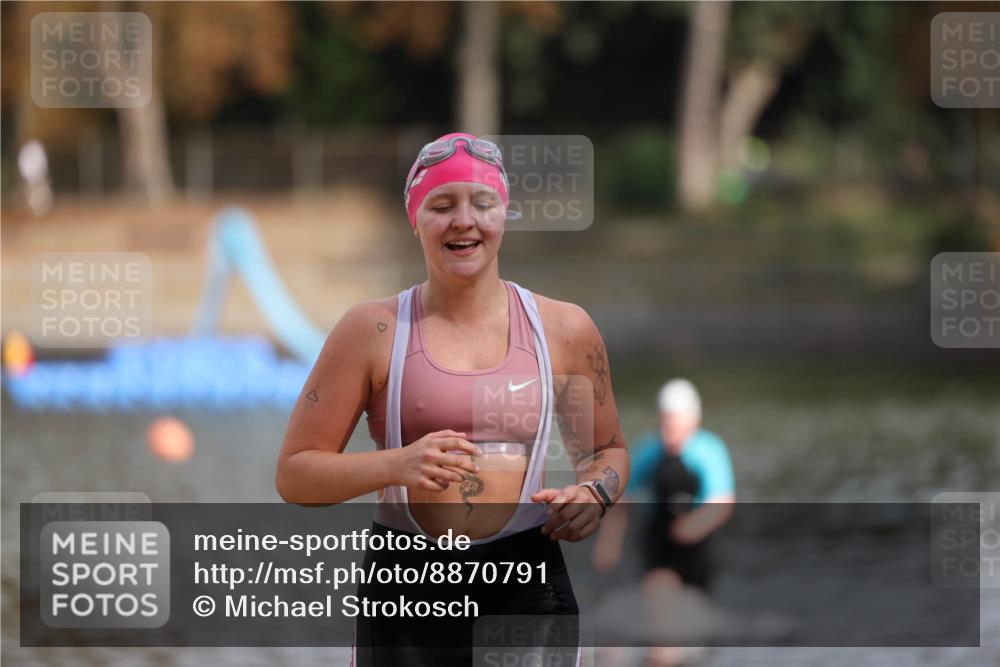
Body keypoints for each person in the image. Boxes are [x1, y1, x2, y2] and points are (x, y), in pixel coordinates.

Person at [276, 133, 630, 666]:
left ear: (504, 215)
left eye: (481, 203)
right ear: (416, 220)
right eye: (442, 206)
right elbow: (295, 474)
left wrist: (595, 496)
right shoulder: (372, 330)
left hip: (524, 585)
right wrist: (397, 464)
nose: (463, 220)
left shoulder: (563, 329)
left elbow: (609, 450)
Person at [592, 378, 733, 664]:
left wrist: (696, 524)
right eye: (667, 423)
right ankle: (661, 655)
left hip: (695, 547)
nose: (672, 432)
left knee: (696, 620)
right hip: (660, 541)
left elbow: (723, 501)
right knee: (661, 609)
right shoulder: (650, 452)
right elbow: (623, 499)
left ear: (693, 420)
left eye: (678, 423)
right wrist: (610, 542)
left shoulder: (708, 450)